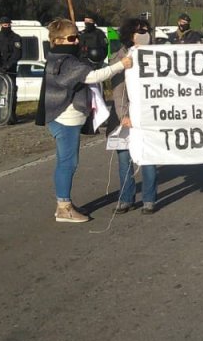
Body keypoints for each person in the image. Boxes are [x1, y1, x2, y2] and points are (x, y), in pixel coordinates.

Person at [36, 18, 133, 223]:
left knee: (65, 161)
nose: (76, 41)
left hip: (65, 117)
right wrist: (120, 65)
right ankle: (64, 208)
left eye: (77, 37)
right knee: (68, 162)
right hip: (65, 118)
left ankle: (63, 204)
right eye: (72, 38)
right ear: (58, 40)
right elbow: (93, 76)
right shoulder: (65, 61)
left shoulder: (62, 56)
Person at [108, 17, 158, 215]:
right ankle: (126, 198)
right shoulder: (120, 57)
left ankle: (149, 199)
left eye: (146, 30)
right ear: (129, 34)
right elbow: (118, 91)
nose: (143, 34)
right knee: (124, 160)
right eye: (139, 31)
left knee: (148, 158)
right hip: (126, 117)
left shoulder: (159, 56)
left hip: (149, 117)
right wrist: (124, 115)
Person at [0, 17, 24, 123]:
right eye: (4, 24)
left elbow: (17, 55)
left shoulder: (16, 38)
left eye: (7, 24)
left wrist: (7, 66)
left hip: (9, 70)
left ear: (10, 25)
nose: (5, 26)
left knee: (11, 93)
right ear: (0, 25)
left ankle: (11, 116)